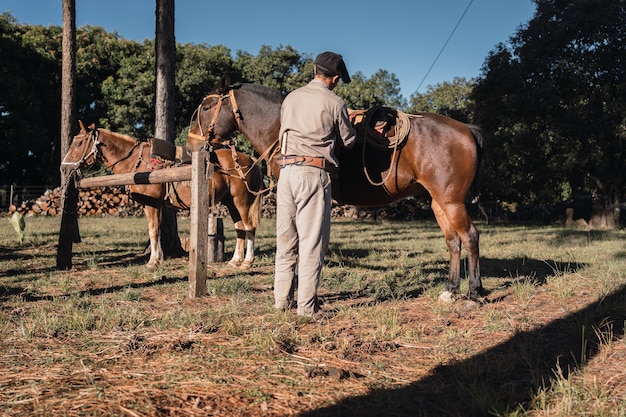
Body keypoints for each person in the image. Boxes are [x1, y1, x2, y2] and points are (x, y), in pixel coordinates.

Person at [273, 51, 357, 319]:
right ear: (333, 79)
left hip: (286, 172)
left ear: (313, 70)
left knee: (286, 241)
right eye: (337, 80)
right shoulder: (335, 101)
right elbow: (349, 141)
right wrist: (351, 120)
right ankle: (306, 309)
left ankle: (281, 301)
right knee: (312, 243)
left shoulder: (291, 98)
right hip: (313, 173)